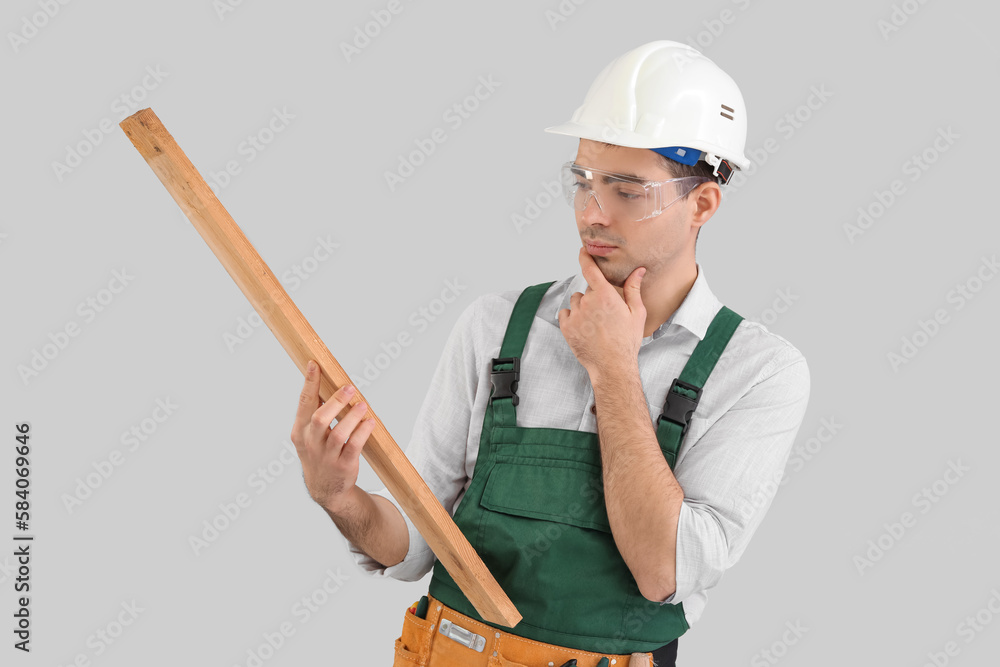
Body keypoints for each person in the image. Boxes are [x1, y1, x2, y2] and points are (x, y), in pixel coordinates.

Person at [290, 40, 811, 667]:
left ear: (702, 202)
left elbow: (662, 571)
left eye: (627, 190)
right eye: (583, 182)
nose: (592, 213)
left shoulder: (757, 373)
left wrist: (614, 369)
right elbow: (415, 547)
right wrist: (340, 497)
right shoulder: (496, 328)